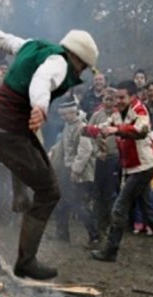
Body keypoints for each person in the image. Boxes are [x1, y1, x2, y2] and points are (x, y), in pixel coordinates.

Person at [0, 17, 99, 280]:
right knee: (49, 192)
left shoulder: (34, 45)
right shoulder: (58, 63)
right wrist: (40, 107)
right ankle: (26, 261)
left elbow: (6, 40)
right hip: (7, 132)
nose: (81, 74)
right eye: (84, 68)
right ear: (77, 59)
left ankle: (20, 195)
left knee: (36, 155)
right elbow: (42, 80)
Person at [91, 81, 153, 272]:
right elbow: (105, 126)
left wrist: (116, 130)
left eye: (121, 97)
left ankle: (111, 250)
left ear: (132, 97)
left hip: (143, 167)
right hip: (134, 168)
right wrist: (87, 130)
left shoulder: (140, 110)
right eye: (117, 97)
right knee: (149, 213)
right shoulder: (120, 112)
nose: (118, 101)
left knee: (119, 208)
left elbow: (140, 131)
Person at [52, 100, 99, 245]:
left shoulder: (82, 126)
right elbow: (63, 146)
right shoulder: (69, 125)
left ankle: (95, 236)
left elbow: (85, 151)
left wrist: (75, 171)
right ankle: (62, 234)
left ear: (74, 111)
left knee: (78, 205)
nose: (65, 117)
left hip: (80, 173)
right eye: (63, 115)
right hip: (67, 169)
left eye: (67, 114)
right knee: (62, 203)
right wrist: (52, 155)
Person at [85, 88, 122, 236]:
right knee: (97, 192)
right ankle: (97, 223)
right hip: (98, 158)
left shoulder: (119, 116)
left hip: (114, 157)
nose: (109, 102)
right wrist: (96, 150)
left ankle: (109, 224)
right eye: (106, 99)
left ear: (116, 101)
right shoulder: (97, 115)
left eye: (112, 99)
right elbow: (88, 132)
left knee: (111, 193)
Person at [133, 131, 153, 235]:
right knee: (139, 206)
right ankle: (138, 224)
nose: (151, 145)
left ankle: (150, 225)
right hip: (141, 185)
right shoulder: (142, 154)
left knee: (151, 207)